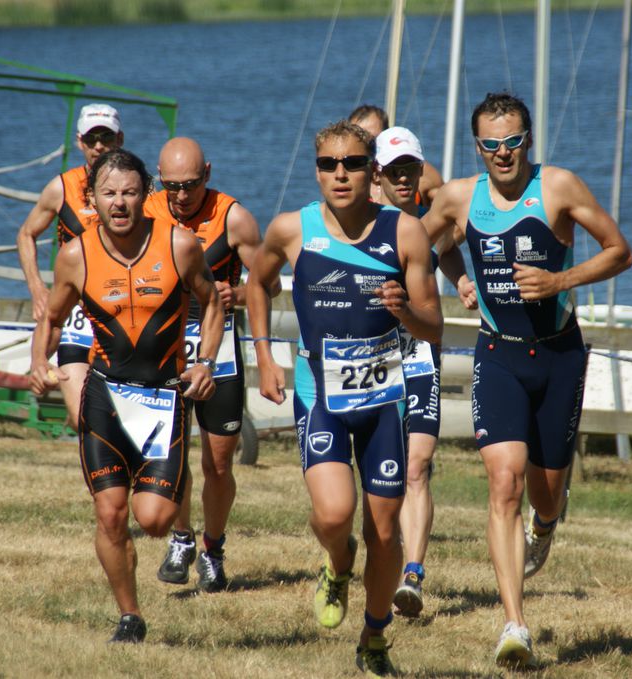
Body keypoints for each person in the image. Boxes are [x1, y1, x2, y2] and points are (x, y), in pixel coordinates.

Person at [422, 92, 632, 668]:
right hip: (497, 355)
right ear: (477, 147)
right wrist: (456, 278)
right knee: (504, 484)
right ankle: (515, 624)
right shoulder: (461, 196)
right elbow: (415, 245)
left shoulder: (559, 187)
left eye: (512, 142)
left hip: (560, 356)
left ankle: (547, 522)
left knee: (544, 491)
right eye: (490, 145)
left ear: (528, 140)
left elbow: (620, 252)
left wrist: (560, 280)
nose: (502, 154)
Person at [246, 120, 442, 677]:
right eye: (329, 164)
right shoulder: (292, 229)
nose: (340, 173)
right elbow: (256, 284)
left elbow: (435, 329)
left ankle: (374, 637)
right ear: (317, 169)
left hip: (385, 398)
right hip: (319, 391)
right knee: (335, 515)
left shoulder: (405, 232)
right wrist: (264, 355)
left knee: (384, 532)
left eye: (352, 164)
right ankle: (336, 566)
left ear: (372, 171)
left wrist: (406, 311)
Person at [29, 148, 224, 644]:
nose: (120, 203)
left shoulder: (180, 245)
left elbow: (213, 303)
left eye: (130, 192)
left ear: (147, 195)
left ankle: (172, 534)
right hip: (105, 398)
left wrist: (204, 364)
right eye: (109, 193)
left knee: (154, 520)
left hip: (163, 397)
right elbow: (52, 317)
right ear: (92, 199)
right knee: (110, 513)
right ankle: (130, 615)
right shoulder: (75, 255)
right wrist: (39, 362)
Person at [144, 136, 275, 593]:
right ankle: (181, 540)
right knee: (170, 455)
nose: (182, 196)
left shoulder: (233, 218)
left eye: (192, 185)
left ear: (209, 174)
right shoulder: (146, 210)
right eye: (172, 185)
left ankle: (213, 549)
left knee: (218, 464)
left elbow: (267, 284)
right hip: (165, 348)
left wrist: (235, 295)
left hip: (219, 351)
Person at [371, 126, 444, 619]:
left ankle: (412, 576)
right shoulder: (357, 219)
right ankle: (369, 556)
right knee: (380, 474)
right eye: (393, 171)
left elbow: (458, 236)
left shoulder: (431, 218)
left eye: (411, 170)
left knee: (417, 466)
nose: (404, 179)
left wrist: (461, 277)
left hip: (419, 352)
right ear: (376, 174)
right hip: (371, 358)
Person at [17, 103, 125, 430]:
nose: (98, 147)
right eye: (91, 139)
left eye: (105, 138)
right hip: (77, 310)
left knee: (122, 417)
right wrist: (37, 288)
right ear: (79, 141)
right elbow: (26, 234)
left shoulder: (137, 191)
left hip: (120, 308)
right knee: (83, 421)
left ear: (119, 139)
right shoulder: (61, 188)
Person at [349, 104, 444, 207]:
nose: (367, 146)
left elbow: (446, 212)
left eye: (372, 140)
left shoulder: (425, 173)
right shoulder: (348, 179)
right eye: (360, 141)